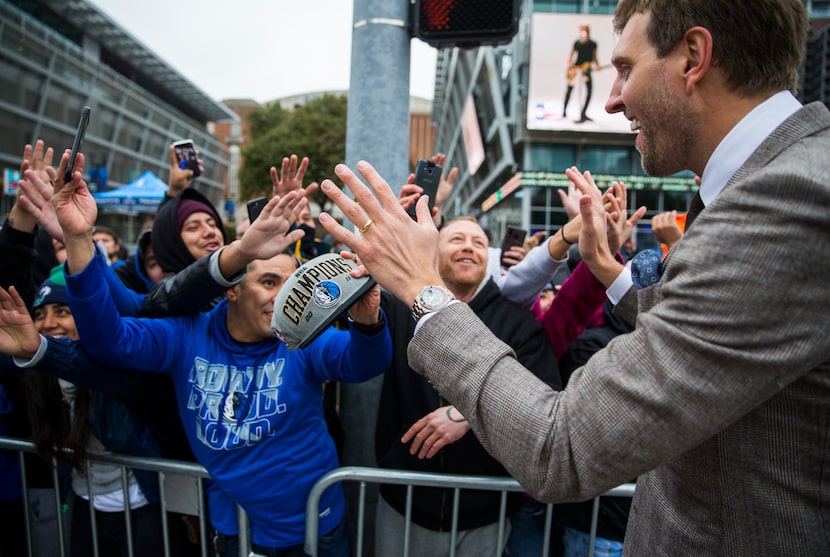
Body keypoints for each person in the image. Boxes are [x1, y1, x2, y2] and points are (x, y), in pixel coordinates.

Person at [314, 0, 830, 553]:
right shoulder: (764, 185)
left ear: (694, 56)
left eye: (626, 68)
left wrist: (422, 287)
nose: (612, 97)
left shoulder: (787, 198)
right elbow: (708, 338)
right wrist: (606, 266)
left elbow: (559, 445)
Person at [48, 147, 392, 555]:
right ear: (231, 290)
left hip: (316, 532)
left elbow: (365, 361)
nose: (282, 299)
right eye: (267, 282)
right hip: (233, 532)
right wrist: (77, 236)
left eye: (291, 285)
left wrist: (367, 319)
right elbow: (109, 340)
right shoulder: (185, 336)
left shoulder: (302, 339)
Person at [373, 217, 560, 557]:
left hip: (484, 509)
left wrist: (468, 415)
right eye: (456, 238)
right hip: (406, 500)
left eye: (477, 242)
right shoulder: (400, 310)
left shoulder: (518, 324)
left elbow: (544, 399)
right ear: (434, 251)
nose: (468, 247)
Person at [563, 24, 601, 123]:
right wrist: (570, 67)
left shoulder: (593, 44)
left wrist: (597, 65)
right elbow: (571, 56)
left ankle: (583, 113)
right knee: (569, 89)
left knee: (589, 90)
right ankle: (564, 111)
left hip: (586, 69)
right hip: (576, 68)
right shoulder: (577, 43)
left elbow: (594, 56)